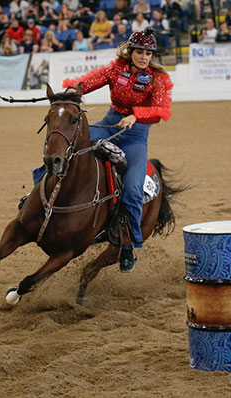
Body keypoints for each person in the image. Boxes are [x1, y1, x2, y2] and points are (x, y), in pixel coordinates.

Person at [57, 27, 173, 271]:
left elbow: (160, 110)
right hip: (109, 124)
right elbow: (90, 81)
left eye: (148, 53)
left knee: (132, 189)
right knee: (66, 148)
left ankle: (128, 245)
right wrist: (74, 89)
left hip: (135, 138)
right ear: (130, 52)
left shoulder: (157, 79)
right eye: (139, 52)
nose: (144, 57)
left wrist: (136, 116)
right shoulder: (116, 69)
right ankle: (39, 195)